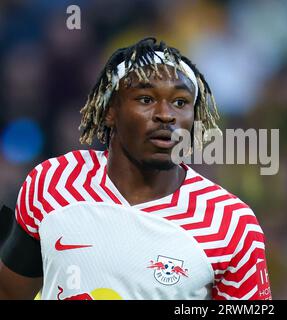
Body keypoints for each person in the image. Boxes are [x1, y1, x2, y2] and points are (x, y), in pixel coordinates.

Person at [0, 37, 272, 300]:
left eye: (180, 102)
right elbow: (10, 293)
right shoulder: (53, 182)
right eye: (145, 99)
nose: (166, 115)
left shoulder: (231, 222)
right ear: (110, 111)